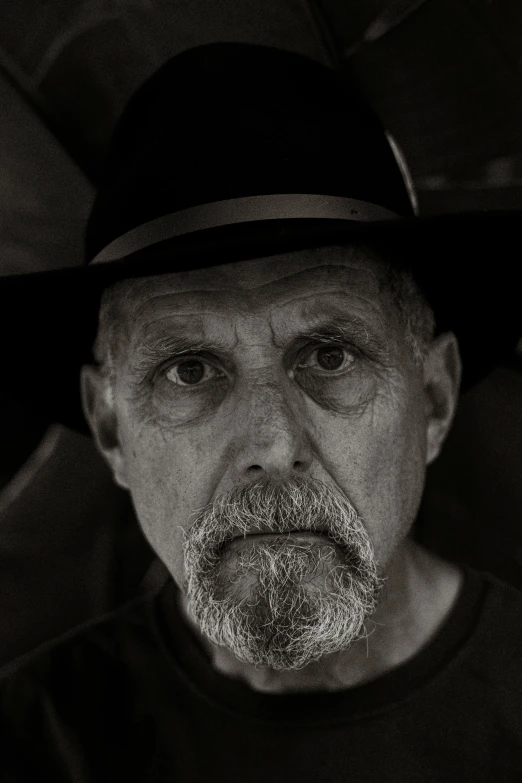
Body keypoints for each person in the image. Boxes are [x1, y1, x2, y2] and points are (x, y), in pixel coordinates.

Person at [0, 42, 521, 782]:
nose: (273, 445)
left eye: (330, 356)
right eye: (189, 370)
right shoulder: (31, 744)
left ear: (433, 398)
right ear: (111, 427)